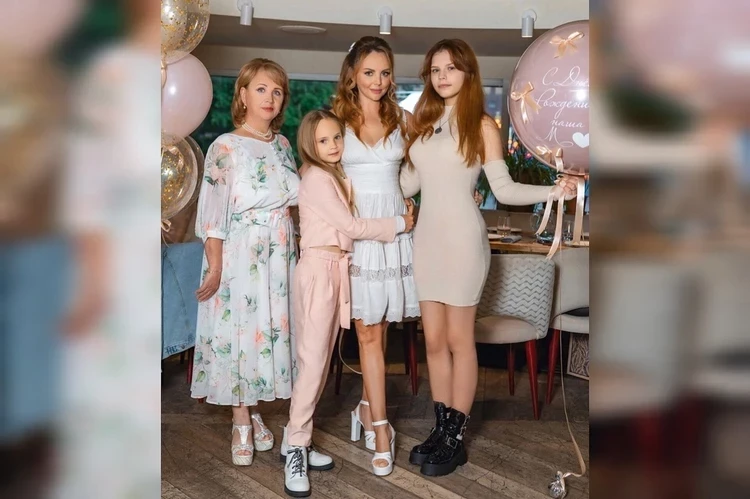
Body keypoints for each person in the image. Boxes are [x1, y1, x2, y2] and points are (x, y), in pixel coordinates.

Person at [401, 39, 577, 477]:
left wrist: (554, 191)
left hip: (463, 242)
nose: (442, 76)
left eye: (451, 68)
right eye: (435, 69)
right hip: (426, 242)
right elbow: (406, 185)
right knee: (433, 341)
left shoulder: (481, 125)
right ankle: (440, 428)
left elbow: (504, 189)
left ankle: (455, 438)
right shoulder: (422, 126)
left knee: (459, 340)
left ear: (467, 73)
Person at [282, 110, 413, 497]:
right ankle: (295, 449)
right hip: (318, 271)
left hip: (335, 270)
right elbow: (353, 228)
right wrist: (401, 223)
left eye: (337, 137)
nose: (333, 145)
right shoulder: (317, 178)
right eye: (323, 141)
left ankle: (297, 438)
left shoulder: (333, 175)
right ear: (309, 144)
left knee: (319, 363)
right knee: (312, 363)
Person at [190, 58, 300, 466]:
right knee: (239, 333)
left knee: (264, 334)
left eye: (277, 91)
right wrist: (216, 267)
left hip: (280, 257)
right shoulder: (225, 146)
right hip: (242, 254)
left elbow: (297, 202)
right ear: (242, 95)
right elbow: (213, 215)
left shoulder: (284, 145)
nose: (270, 97)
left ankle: (253, 410)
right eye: (261, 89)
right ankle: (240, 420)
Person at [331, 36, 419, 474]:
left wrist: (414, 201)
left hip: (395, 232)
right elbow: (321, 179)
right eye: (369, 72)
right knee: (367, 331)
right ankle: (382, 429)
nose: (378, 81)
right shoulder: (334, 121)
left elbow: (418, 171)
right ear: (352, 74)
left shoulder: (403, 119)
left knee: (381, 328)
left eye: (385, 73)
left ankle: (366, 407)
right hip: (356, 231)